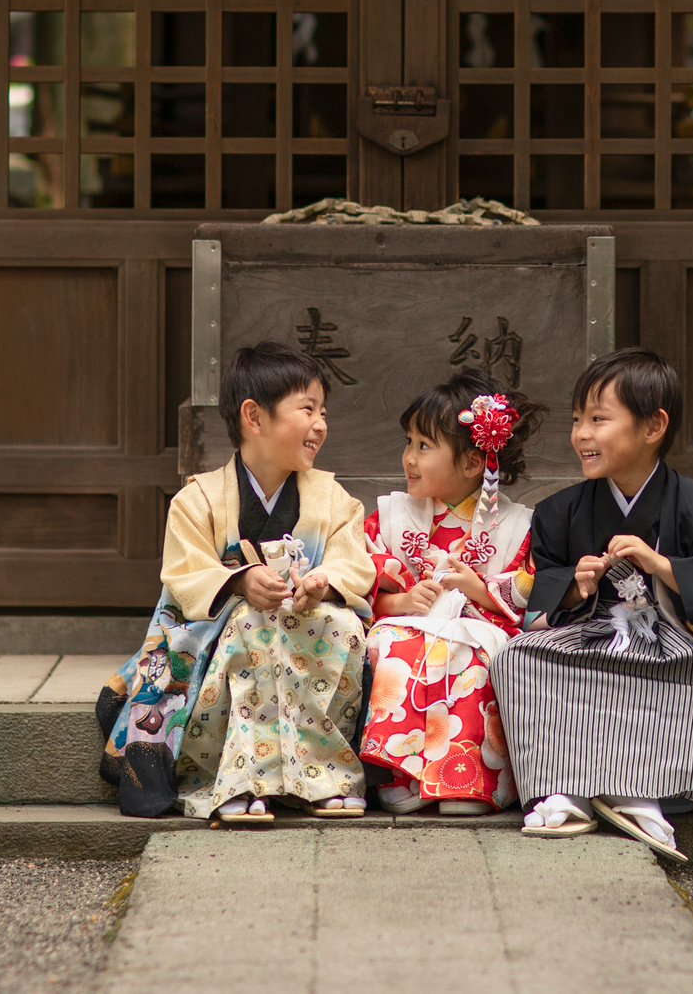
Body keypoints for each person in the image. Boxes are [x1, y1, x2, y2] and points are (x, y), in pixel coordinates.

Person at [488, 347, 693, 863]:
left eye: (599, 419)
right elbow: (543, 595)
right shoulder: (559, 512)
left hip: (681, 651)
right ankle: (575, 793)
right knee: (515, 660)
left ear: (653, 427)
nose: (582, 433)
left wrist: (663, 566)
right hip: (591, 646)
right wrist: (576, 586)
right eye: (578, 420)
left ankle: (635, 792)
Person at [94, 341, 375, 825]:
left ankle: (321, 776)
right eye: (307, 409)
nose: (321, 424)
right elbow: (185, 577)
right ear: (254, 416)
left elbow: (356, 564)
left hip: (305, 634)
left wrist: (323, 583)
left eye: (323, 411)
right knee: (252, 623)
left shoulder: (332, 498)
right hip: (220, 643)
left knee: (336, 624)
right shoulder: (197, 498)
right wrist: (241, 581)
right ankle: (238, 778)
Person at [359, 371, 541, 814]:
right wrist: (397, 602)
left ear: (473, 462)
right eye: (409, 442)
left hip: (477, 628)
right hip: (406, 625)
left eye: (424, 446)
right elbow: (360, 580)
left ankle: (467, 779)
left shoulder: (517, 526)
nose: (409, 458)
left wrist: (478, 589)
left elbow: (528, 597)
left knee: (467, 655)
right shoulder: (390, 516)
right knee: (394, 644)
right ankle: (403, 774)